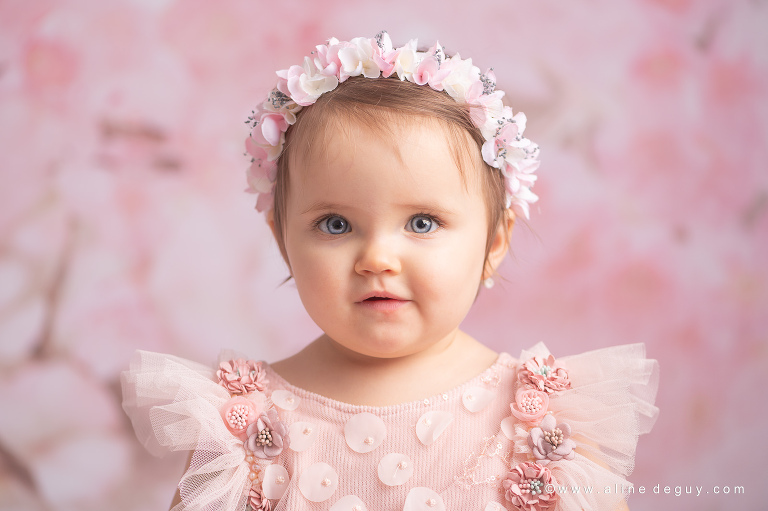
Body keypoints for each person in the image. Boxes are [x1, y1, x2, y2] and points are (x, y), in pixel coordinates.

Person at [122, 32, 659, 511]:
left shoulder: (543, 425)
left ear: (494, 243)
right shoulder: (245, 432)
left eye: (422, 223)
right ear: (283, 242)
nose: (378, 258)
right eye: (335, 224)